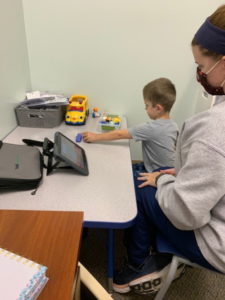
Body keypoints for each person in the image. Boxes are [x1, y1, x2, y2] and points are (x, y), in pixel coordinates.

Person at [112, 4, 225, 296]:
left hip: (214, 241)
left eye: (201, 66)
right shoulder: (176, 124)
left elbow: (186, 214)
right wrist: (180, 174)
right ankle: (158, 254)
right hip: (213, 209)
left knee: (140, 187)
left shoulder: (214, 128)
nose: (199, 73)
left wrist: (164, 179)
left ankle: (137, 267)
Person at [82, 78, 179, 173]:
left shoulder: (152, 128)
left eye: (147, 105)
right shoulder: (174, 126)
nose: (145, 109)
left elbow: (119, 134)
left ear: (158, 108)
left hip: (157, 175)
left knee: (123, 178)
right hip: (171, 171)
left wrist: (95, 137)